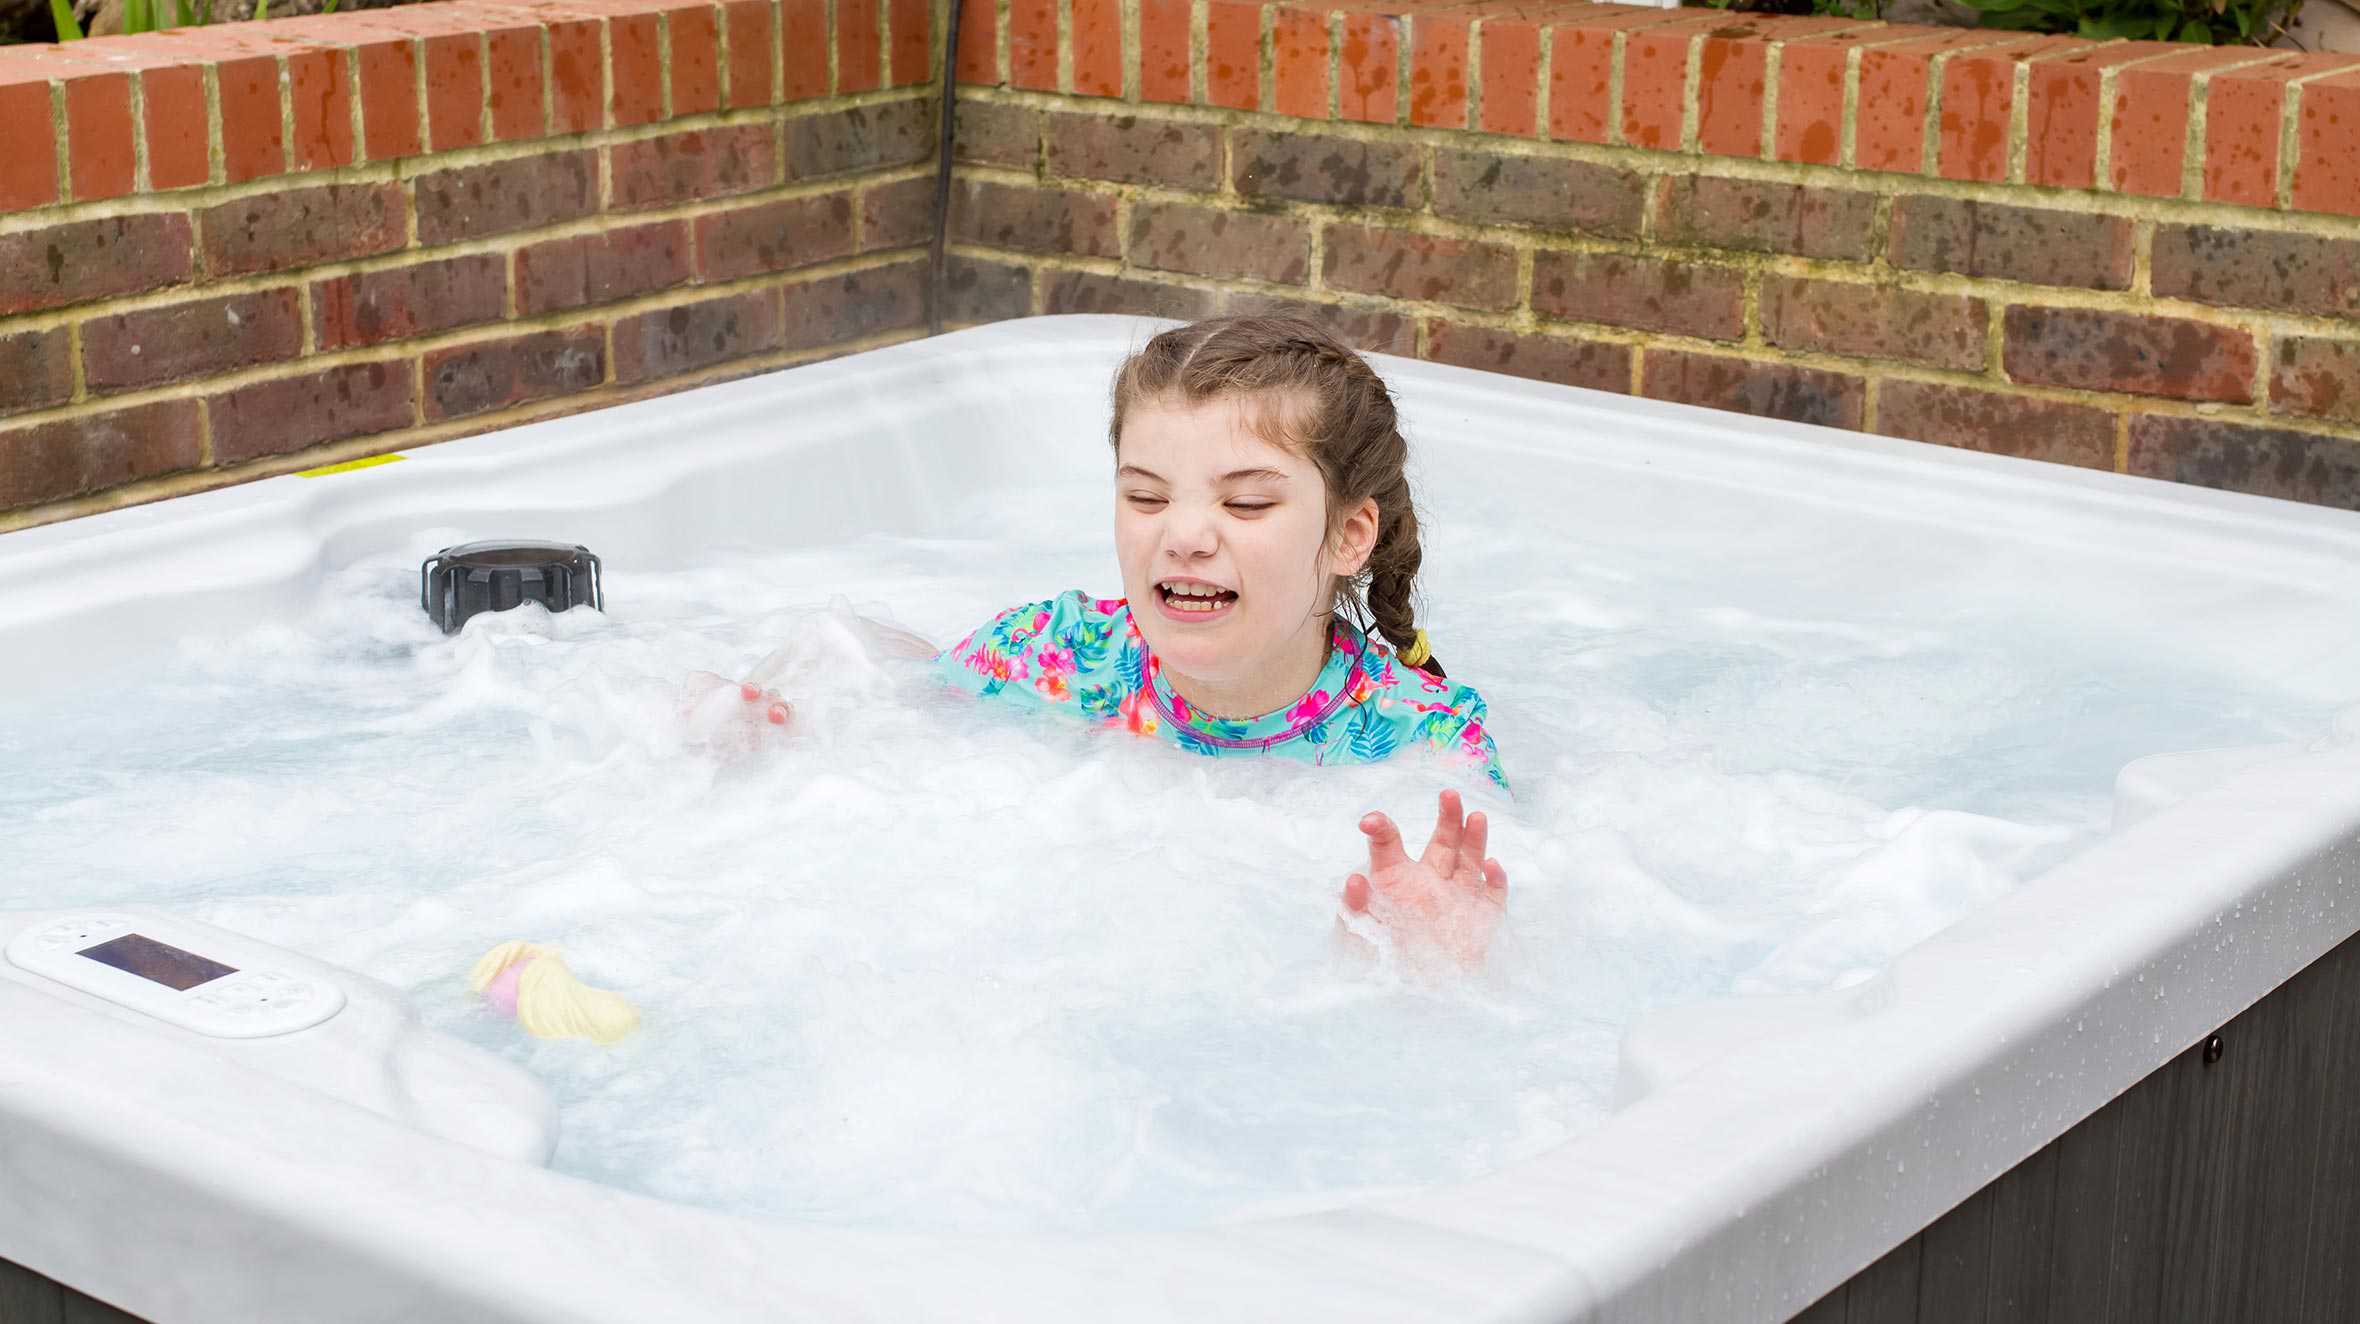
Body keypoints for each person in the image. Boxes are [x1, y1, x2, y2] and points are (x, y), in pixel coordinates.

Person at [701, 316, 1511, 966]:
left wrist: (1415, 955)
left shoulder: (1427, 748)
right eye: (1147, 496)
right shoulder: (1054, 656)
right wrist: (782, 724)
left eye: (1246, 506)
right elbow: (900, 693)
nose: (1185, 536)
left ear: (1348, 536)